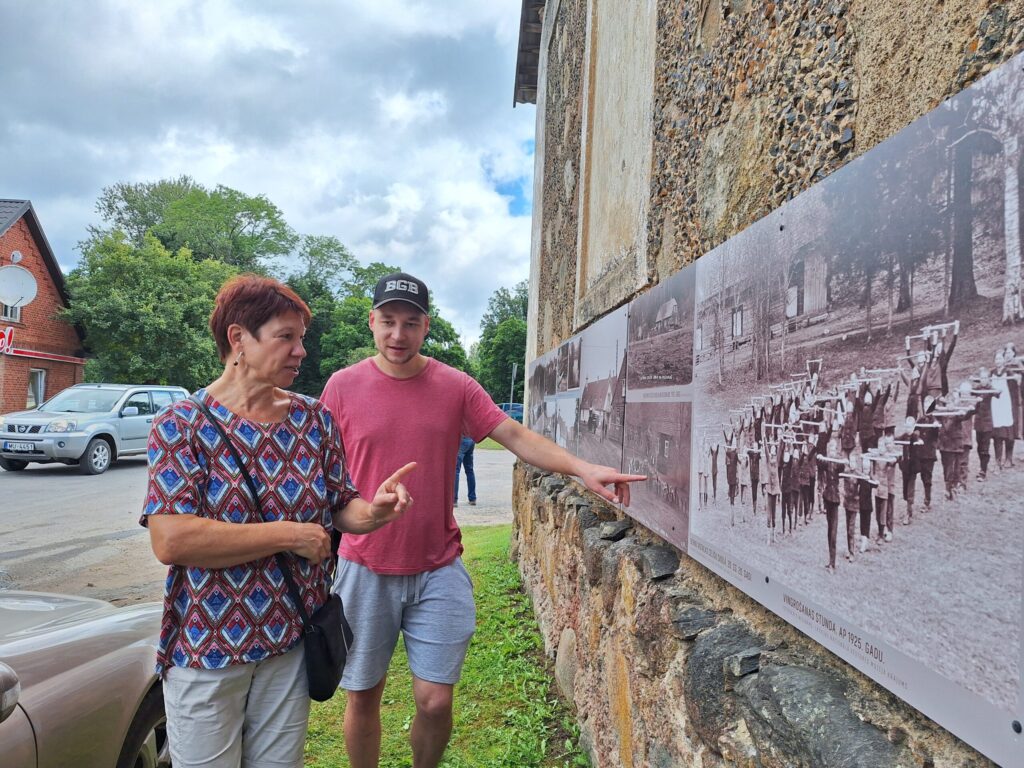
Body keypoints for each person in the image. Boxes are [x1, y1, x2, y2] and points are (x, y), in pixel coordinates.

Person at [319, 272, 644, 768]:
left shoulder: (454, 386)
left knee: (436, 699)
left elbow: (512, 433)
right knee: (363, 694)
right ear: (372, 322)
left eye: (410, 323)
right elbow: (318, 467)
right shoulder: (341, 387)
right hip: (363, 565)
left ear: (426, 326)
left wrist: (583, 468)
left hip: (437, 568)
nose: (397, 335)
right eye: (387, 322)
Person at [140, 275, 416, 768]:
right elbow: (173, 538)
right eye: (286, 337)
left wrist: (372, 513)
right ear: (238, 339)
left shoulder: (315, 420)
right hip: (208, 647)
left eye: (301, 338)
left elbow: (341, 505)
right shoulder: (182, 424)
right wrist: (290, 535)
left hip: (289, 640)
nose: (300, 351)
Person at [453, 435, 476, 507]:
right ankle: (472, 498)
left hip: (462, 440)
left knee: (455, 471)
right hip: (471, 439)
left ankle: (454, 499)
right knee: (469, 470)